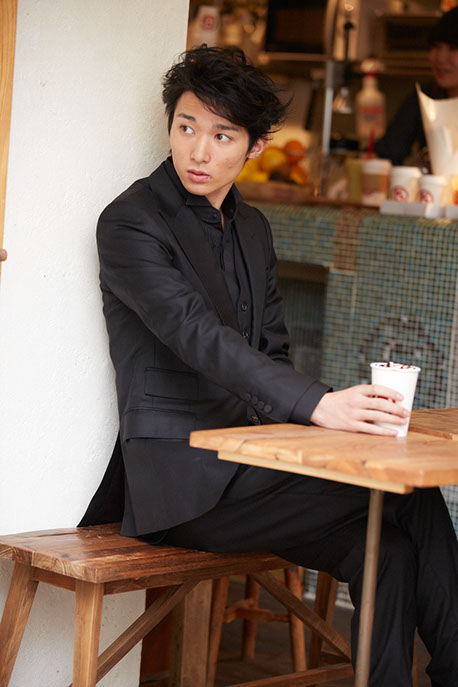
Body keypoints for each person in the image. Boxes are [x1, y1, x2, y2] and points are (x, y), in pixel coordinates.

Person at [80, 45, 458, 687]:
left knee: (388, 549)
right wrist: (320, 404)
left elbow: (271, 351)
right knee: (410, 499)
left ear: (253, 147)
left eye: (222, 135)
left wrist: (330, 428)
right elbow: (198, 336)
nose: (198, 151)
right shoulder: (130, 223)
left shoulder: (253, 228)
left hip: (254, 464)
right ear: (170, 125)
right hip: (184, 479)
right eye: (186, 127)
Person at [374, 6, 458, 165]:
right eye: (436, 46)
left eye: (453, 48)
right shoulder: (425, 97)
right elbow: (387, 152)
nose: (440, 58)